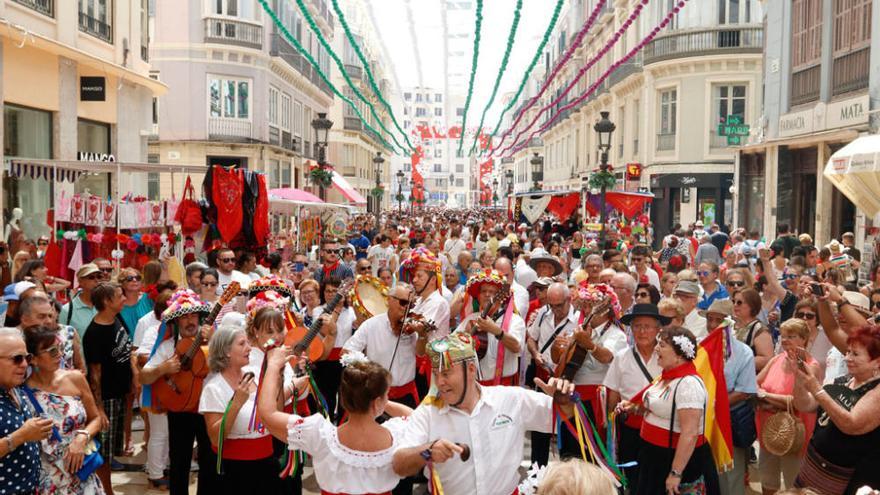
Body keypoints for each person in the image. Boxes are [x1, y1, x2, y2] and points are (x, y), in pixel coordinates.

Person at [391, 330, 576, 495]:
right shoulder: (427, 414)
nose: (439, 382)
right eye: (436, 374)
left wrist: (565, 400)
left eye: (446, 373)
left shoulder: (510, 399)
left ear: (471, 370)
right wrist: (428, 451)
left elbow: (564, 416)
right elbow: (399, 465)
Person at [258, 347, 413, 494]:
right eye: (386, 395)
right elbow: (413, 415)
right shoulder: (397, 435)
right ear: (378, 401)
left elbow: (267, 413)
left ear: (344, 397)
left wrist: (272, 366)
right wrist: (376, 399)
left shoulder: (320, 436)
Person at [617, 326, 720, 495]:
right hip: (653, 457)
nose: (656, 348)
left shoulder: (688, 384)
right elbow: (659, 410)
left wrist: (675, 473)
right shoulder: (666, 377)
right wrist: (635, 408)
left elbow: (690, 433)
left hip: (673, 460)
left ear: (679, 355)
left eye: (662, 345)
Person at [139, 289, 218, 495]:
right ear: (176, 322)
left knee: (210, 462)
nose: (190, 321)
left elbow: (231, 364)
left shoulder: (214, 340)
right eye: (184, 316)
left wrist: (215, 340)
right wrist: (162, 369)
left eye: (193, 315)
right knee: (179, 461)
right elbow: (144, 377)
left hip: (209, 410)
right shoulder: (167, 346)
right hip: (180, 409)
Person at [793, 323, 880, 494]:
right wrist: (800, 380)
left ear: (877, 362)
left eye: (855, 354)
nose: (847, 358)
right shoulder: (843, 380)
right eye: (847, 352)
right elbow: (805, 405)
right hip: (814, 469)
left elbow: (851, 424)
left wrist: (816, 389)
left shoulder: (877, 391)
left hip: (846, 481)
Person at [23, 325, 105, 495]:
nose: (60, 354)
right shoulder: (21, 392)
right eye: (52, 351)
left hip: (82, 472)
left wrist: (82, 438)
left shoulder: (75, 378)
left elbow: (96, 419)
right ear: (33, 359)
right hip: (48, 480)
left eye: (60, 347)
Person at [199, 324, 278, 494]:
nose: (249, 348)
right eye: (242, 344)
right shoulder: (214, 388)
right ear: (226, 351)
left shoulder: (254, 373)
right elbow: (215, 438)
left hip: (266, 465)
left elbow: (274, 411)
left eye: (248, 343)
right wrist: (236, 404)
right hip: (234, 472)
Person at [604, 303, 668, 490]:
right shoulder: (622, 356)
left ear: (658, 329)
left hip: (660, 428)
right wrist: (612, 422)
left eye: (647, 326)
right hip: (630, 428)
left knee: (657, 477)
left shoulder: (668, 356)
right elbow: (613, 392)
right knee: (632, 477)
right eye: (637, 326)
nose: (642, 331)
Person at [755, 318, 817, 494]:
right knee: (767, 481)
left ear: (804, 338)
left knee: (794, 486)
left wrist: (765, 396)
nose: (785, 340)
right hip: (769, 432)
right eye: (783, 336)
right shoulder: (776, 360)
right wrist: (773, 399)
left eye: (791, 336)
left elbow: (799, 402)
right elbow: (753, 385)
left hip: (794, 436)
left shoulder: (811, 366)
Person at [82, 282, 134, 491]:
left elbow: (127, 350)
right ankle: (106, 491)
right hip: (108, 398)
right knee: (104, 452)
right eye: (120, 295)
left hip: (121, 393)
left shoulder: (117, 318)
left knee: (112, 450)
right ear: (106, 301)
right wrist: (99, 408)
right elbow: (95, 374)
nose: (124, 299)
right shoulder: (94, 333)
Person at [703, 300, 757, 495]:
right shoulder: (698, 348)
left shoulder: (743, 353)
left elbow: (744, 391)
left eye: (718, 320)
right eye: (710, 319)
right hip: (700, 422)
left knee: (729, 476)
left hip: (729, 421)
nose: (712, 325)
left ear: (729, 323)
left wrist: (714, 404)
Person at [343, 284, 423, 409]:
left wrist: (422, 335)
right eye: (403, 302)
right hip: (377, 395)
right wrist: (369, 370)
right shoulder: (370, 325)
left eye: (411, 305)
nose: (407, 308)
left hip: (407, 395)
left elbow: (421, 353)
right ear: (389, 300)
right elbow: (346, 352)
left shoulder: (412, 327)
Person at [0, 327, 54, 494]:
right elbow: (22, 435)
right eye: (16, 358)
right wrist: (20, 436)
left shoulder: (16, 388)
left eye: (27, 357)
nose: (24, 364)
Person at [455, 270, 525, 386]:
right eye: (484, 291)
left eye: (492, 292)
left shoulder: (515, 320)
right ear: (478, 295)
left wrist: (495, 330)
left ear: (501, 296)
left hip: (504, 386)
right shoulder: (471, 319)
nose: (487, 294)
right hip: (476, 384)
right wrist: (464, 337)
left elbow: (517, 347)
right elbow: (453, 344)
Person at [19, 292, 85, 372]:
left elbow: (80, 366)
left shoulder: (66, 333)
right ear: (25, 319)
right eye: (41, 317)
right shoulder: (13, 342)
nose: (49, 321)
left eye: (50, 316)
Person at [732, 288, 774, 371]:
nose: (735, 305)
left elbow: (766, 359)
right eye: (734, 301)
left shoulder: (759, 329)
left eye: (739, 302)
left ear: (752, 305)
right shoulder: (730, 325)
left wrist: (736, 363)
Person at [58, 264, 102, 339]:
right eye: (91, 277)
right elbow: (62, 339)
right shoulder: (67, 310)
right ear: (80, 281)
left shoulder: (105, 304)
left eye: (99, 276)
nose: (96, 280)